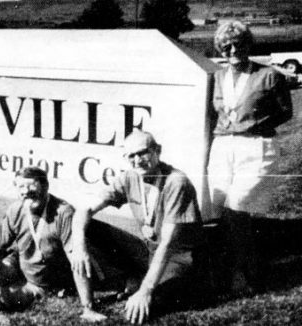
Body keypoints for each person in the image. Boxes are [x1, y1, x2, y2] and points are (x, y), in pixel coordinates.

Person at [71, 130, 205, 324]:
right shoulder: (129, 177)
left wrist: (146, 291)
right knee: (88, 228)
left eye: (143, 153)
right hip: (148, 251)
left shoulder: (176, 182)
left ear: (157, 151)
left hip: (179, 258)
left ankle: (141, 284)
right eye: (131, 156)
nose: (137, 160)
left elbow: (167, 244)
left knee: (147, 306)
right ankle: (131, 281)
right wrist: (79, 246)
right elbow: (84, 209)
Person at [209, 20, 293, 294]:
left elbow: (285, 112)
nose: (232, 50)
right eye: (226, 46)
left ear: (248, 45)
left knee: (238, 205)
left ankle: (244, 272)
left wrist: (256, 124)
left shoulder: (269, 75)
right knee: (222, 207)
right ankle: (233, 265)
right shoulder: (218, 77)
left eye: (238, 44)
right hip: (223, 146)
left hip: (256, 147)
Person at [0, 167, 107, 322]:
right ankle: (6, 286)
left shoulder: (63, 212)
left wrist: (88, 308)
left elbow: (76, 259)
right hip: (19, 266)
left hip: (41, 283)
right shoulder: (16, 209)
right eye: (21, 187)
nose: (25, 192)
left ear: (46, 186)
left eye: (31, 187)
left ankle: (15, 290)